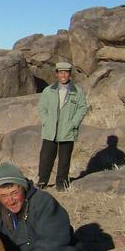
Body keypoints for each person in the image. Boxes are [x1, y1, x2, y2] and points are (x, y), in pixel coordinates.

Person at [37, 61, 88, 191]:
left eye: (66, 72)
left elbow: (82, 108)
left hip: (67, 130)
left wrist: (74, 123)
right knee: (45, 158)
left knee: (64, 159)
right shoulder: (48, 91)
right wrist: (46, 121)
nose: (63, 75)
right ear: (56, 74)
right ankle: (42, 182)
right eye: (60, 72)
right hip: (50, 130)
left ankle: (61, 184)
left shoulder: (78, 92)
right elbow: (42, 107)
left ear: (69, 74)